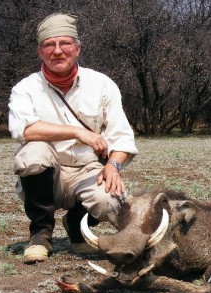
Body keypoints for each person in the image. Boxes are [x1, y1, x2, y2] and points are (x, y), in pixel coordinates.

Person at [8, 13, 138, 264]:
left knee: (114, 202)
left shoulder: (102, 84)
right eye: (49, 45)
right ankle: (40, 235)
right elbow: (24, 130)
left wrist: (113, 165)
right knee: (32, 152)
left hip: (87, 168)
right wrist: (78, 132)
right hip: (48, 172)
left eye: (65, 44)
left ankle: (77, 225)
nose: (57, 51)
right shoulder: (25, 88)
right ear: (40, 52)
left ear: (77, 49)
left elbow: (122, 136)